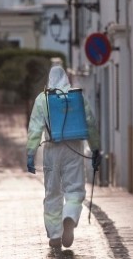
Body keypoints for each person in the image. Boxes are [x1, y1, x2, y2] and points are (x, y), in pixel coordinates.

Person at [26, 65, 101, 249]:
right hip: (74, 147)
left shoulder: (43, 99)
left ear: (50, 79)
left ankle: (54, 235)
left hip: (51, 149)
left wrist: (31, 153)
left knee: (52, 192)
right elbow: (90, 123)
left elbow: (35, 129)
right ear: (66, 78)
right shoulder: (76, 97)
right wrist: (96, 148)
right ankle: (70, 216)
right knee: (74, 190)